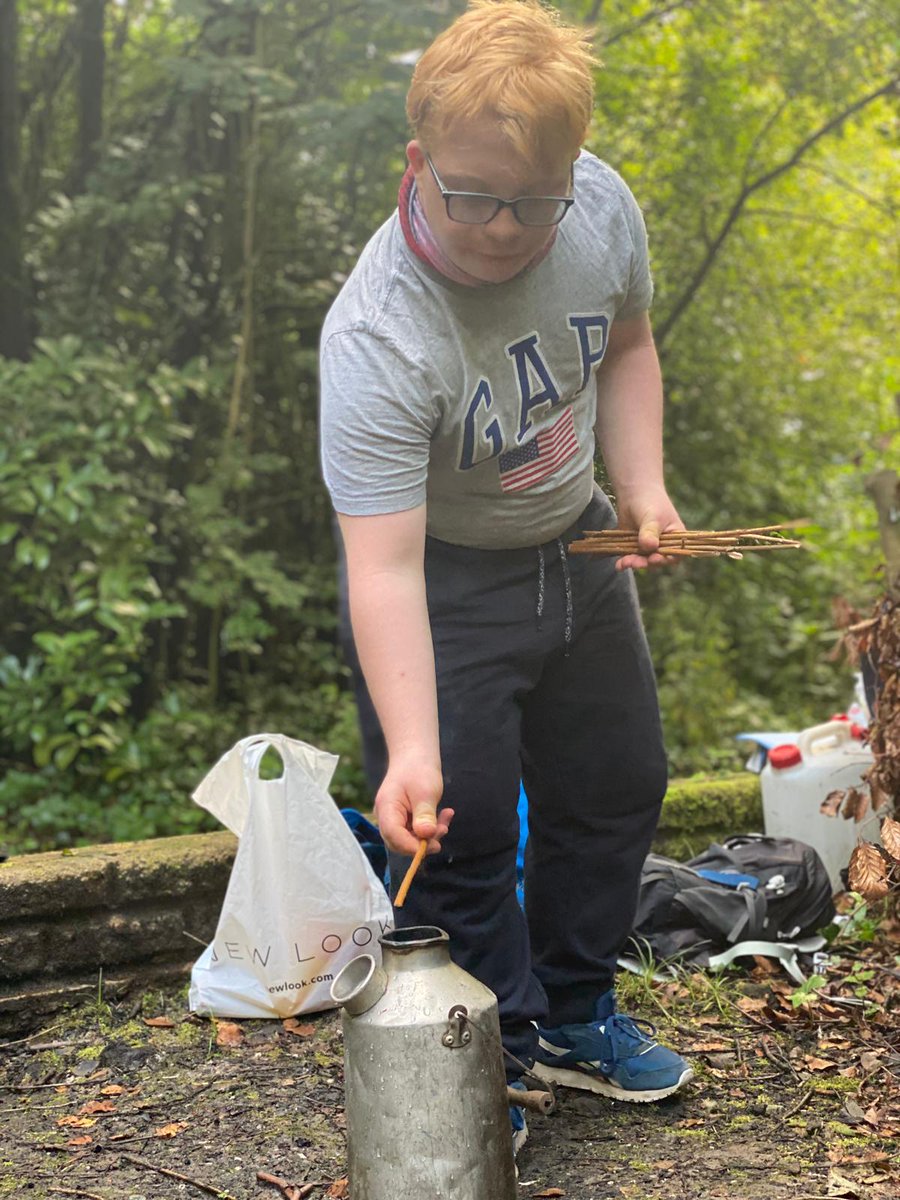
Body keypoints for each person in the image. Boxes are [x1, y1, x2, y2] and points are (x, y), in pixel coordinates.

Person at [318, 0, 693, 1129]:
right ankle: (488, 1058)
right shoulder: (379, 337)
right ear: (418, 159)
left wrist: (645, 487)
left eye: (535, 202)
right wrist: (414, 752)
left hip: (576, 546)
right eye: (473, 195)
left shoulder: (601, 209)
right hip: (441, 580)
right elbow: (379, 569)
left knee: (619, 784)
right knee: (463, 824)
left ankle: (574, 1014)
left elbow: (626, 344)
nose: (502, 229)